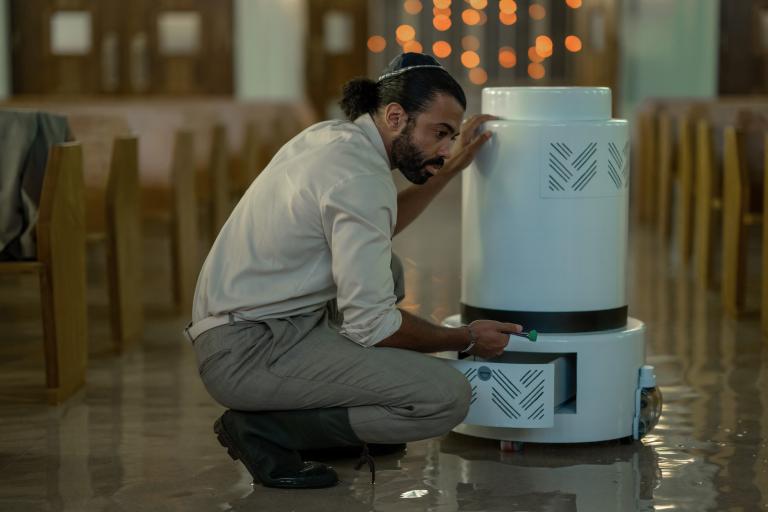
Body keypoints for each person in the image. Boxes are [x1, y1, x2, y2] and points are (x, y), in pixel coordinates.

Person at [186, 53, 522, 489]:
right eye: (439, 134)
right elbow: (374, 325)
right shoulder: (359, 176)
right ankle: (265, 431)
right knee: (445, 396)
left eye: (451, 137)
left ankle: (328, 425)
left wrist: (449, 171)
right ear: (396, 116)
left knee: (387, 267)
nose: (444, 150)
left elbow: (375, 225)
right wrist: (467, 338)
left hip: (262, 327)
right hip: (249, 352)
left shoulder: (333, 138)